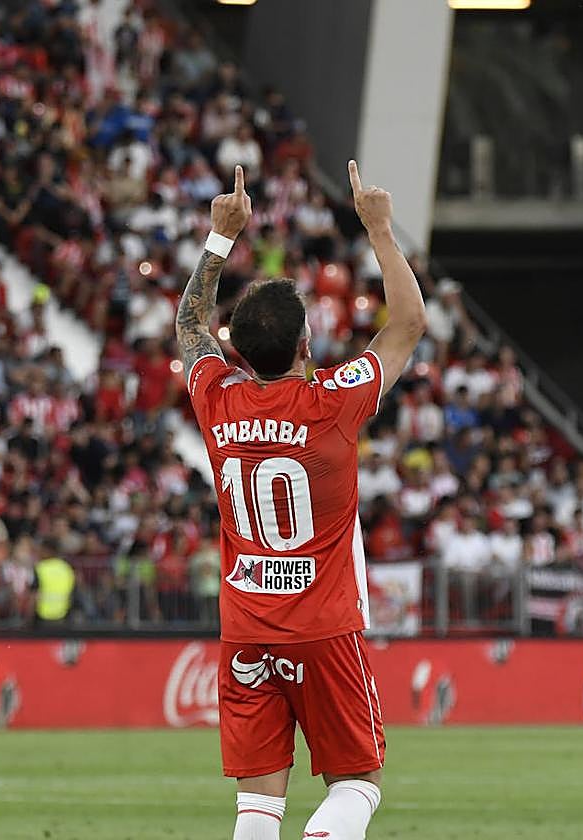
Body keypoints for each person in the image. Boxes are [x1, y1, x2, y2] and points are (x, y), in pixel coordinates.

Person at [176, 162, 426, 840]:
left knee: (257, 805)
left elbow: (190, 325)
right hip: (322, 627)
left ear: (238, 349)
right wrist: (379, 228)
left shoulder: (216, 399)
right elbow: (408, 323)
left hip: (245, 628)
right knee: (357, 783)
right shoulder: (331, 402)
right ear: (307, 344)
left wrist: (220, 237)